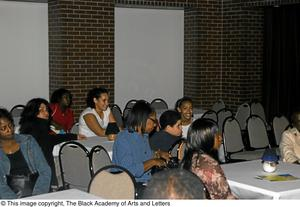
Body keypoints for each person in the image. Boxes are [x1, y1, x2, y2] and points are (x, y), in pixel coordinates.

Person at [19, 98, 84, 187]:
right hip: (41, 170)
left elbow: (50, 139)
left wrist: (74, 136)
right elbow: (48, 144)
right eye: (41, 110)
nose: (46, 113)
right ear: (32, 112)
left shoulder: (27, 127)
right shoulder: (40, 125)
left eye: (46, 109)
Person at [112, 100, 170, 197]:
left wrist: (158, 154)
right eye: (154, 121)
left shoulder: (144, 135)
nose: (155, 125)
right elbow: (129, 170)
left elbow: (143, 154)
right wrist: (153, 162)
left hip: (144, 181)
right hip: (129, 185)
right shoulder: (123, 139)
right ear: (143, 119)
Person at [0, 108, 51, 199]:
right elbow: (1, 185)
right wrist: (15, 203)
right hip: (9, 195)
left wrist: (36, 198)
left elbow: (45, 170)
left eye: (10, 125)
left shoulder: (28, 141)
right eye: (3, 128)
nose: (9, 130)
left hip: (36, 189)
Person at [181, 118, 236, 199]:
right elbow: (225, 197)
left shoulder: (190, 157)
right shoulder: (209, 164)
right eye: (217, 135)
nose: (221, 138)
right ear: (207, 138)